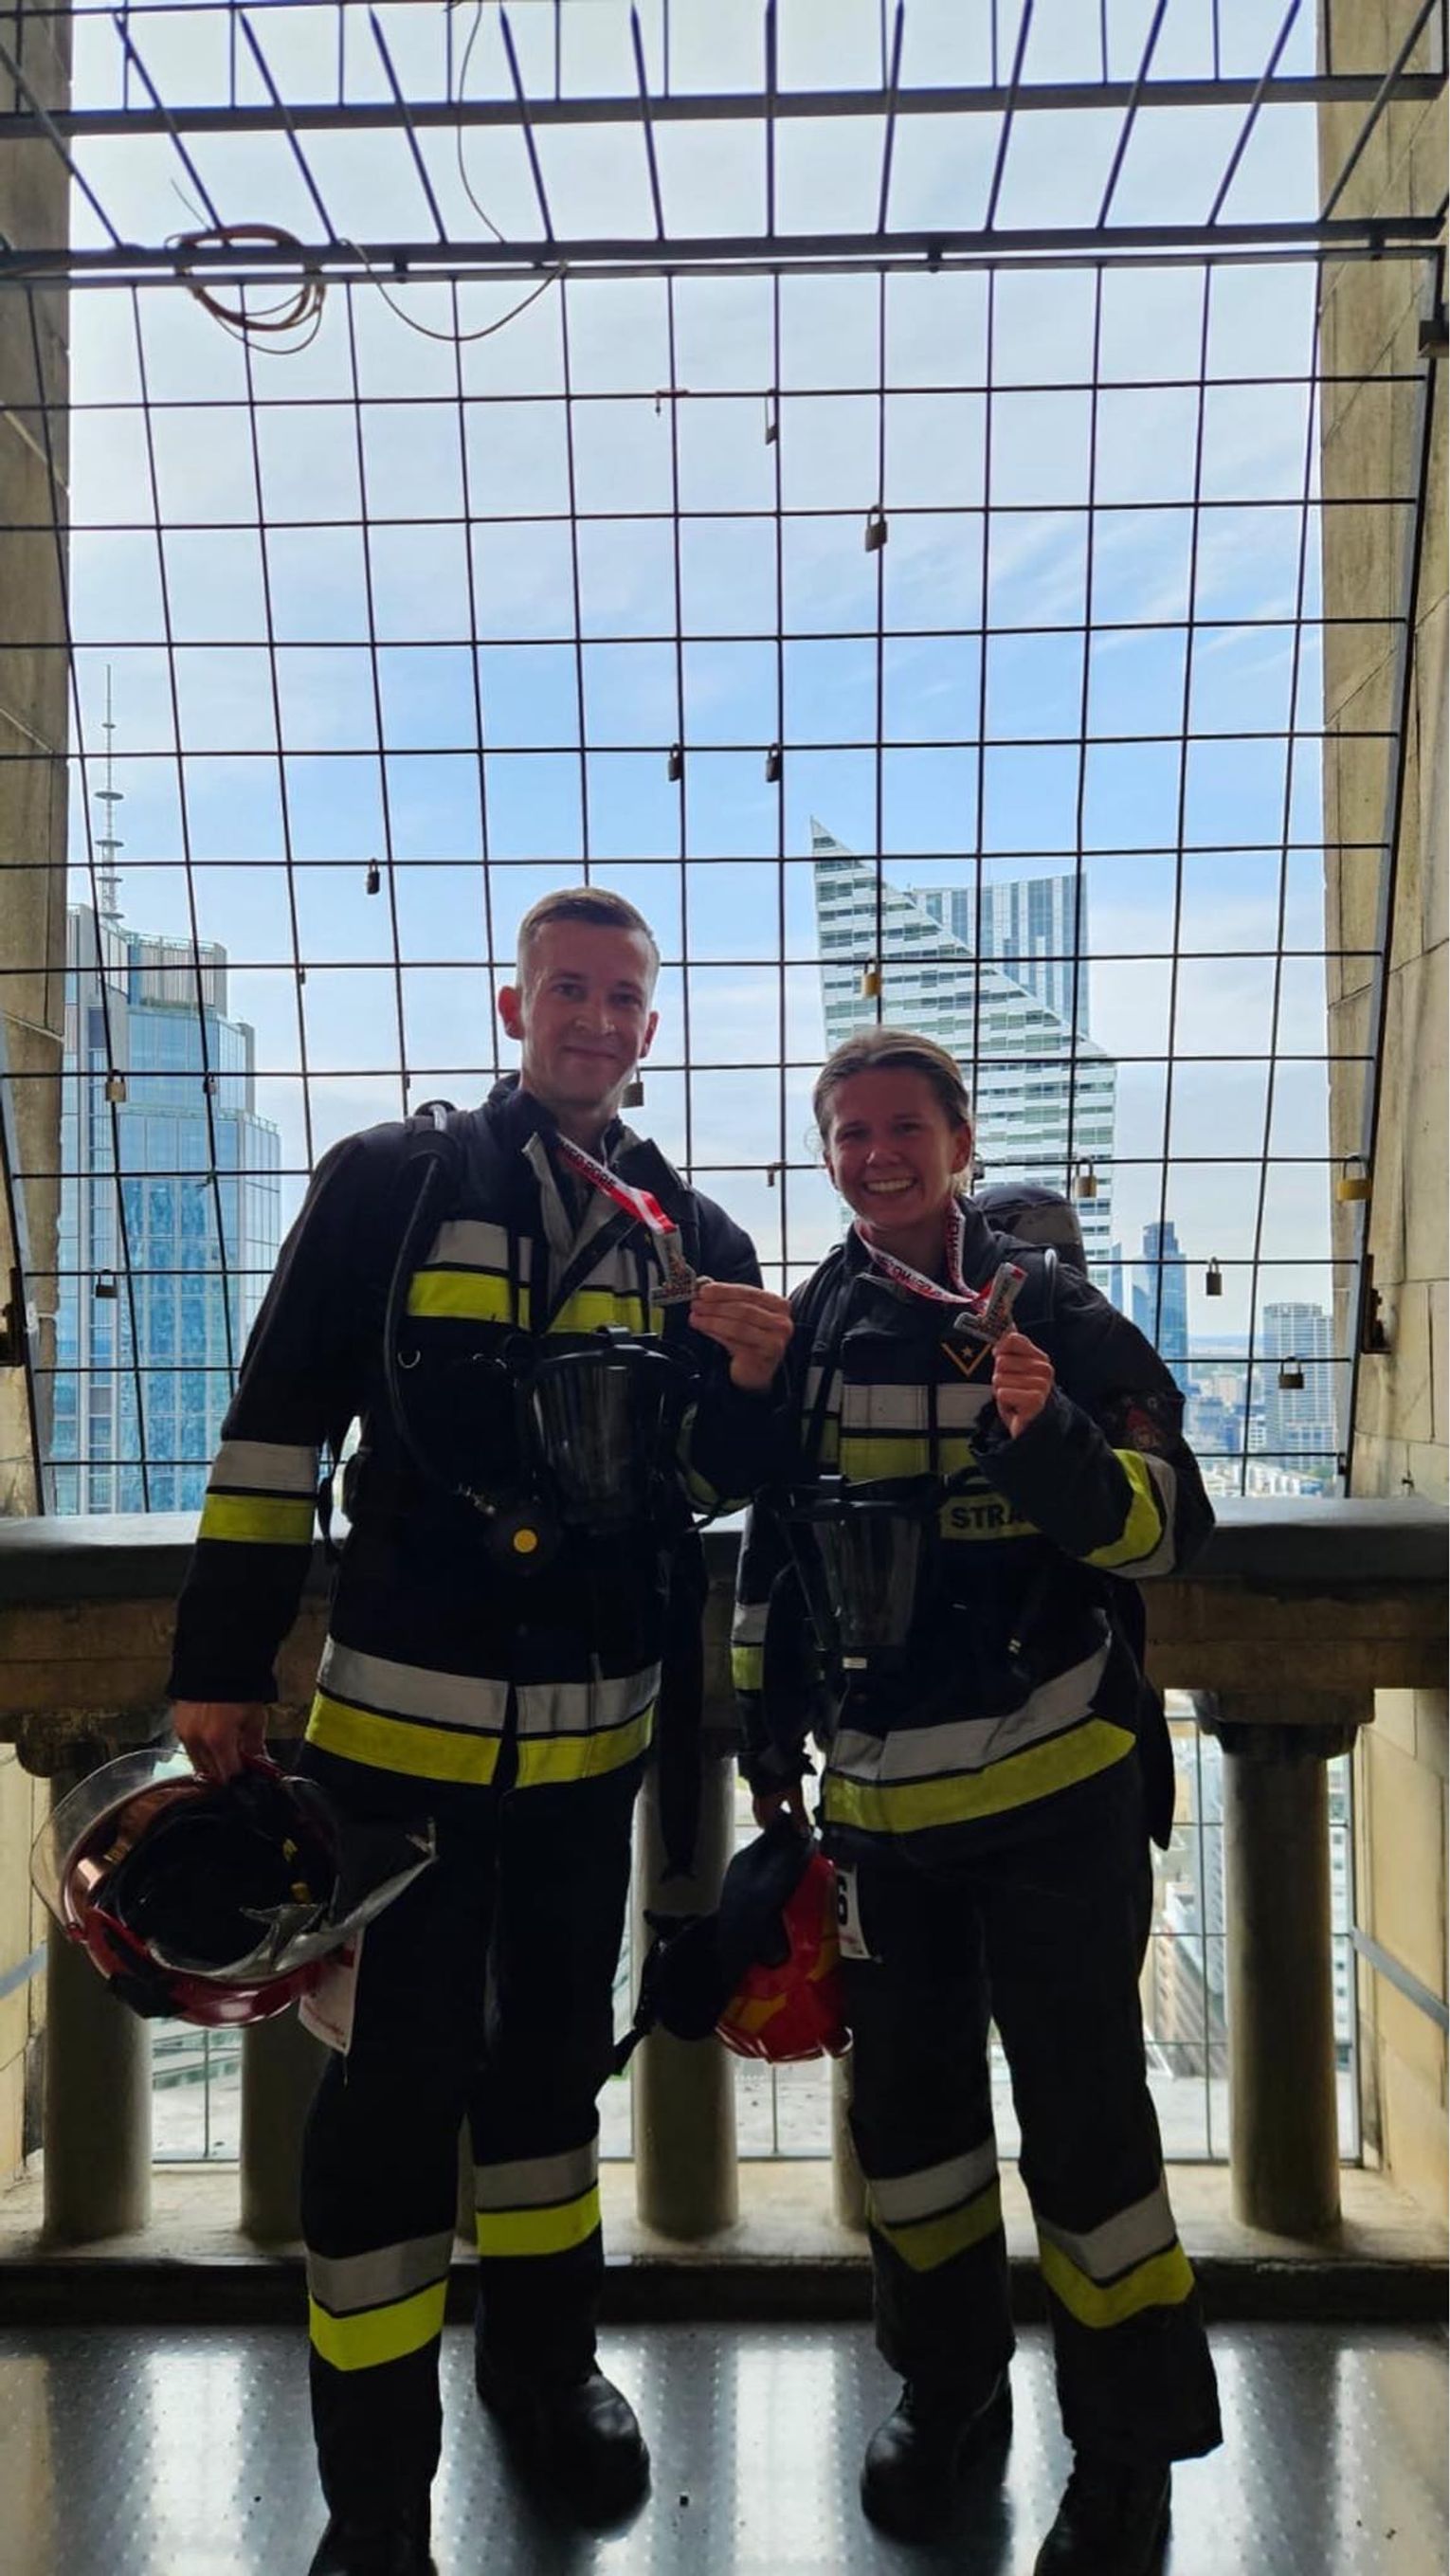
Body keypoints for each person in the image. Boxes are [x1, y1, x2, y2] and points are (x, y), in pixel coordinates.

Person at [168, 887, 793, 2576]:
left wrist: (751, 1391)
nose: (594, 1018)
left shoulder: (693, 1234)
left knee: (549, 2073)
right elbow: (277, 1425)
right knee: (387, 2097)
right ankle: (375, 2495)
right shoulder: (389, 1183)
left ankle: (545, 2366)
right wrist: (220, 1658)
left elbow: (701, 1484)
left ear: (650, 1028)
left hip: (593, 1759)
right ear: (512, 1007)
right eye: (565, 988)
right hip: (394, 1761)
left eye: (622, 996)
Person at [734, 1025, 1222, 2576]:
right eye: (848, 1132)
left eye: (903, 1128)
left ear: (960, 1141)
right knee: (910, 2128)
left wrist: (1048, 1435)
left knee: (1086, 2132)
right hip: (883, 1818)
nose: (875, 1155)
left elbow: (1168, 1531)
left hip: (1058, 1803)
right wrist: (765, 1742)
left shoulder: (1055, 1312)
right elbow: (779, 1547)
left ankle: (1125, 2456)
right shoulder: (815, 1321)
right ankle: (947, 2390)